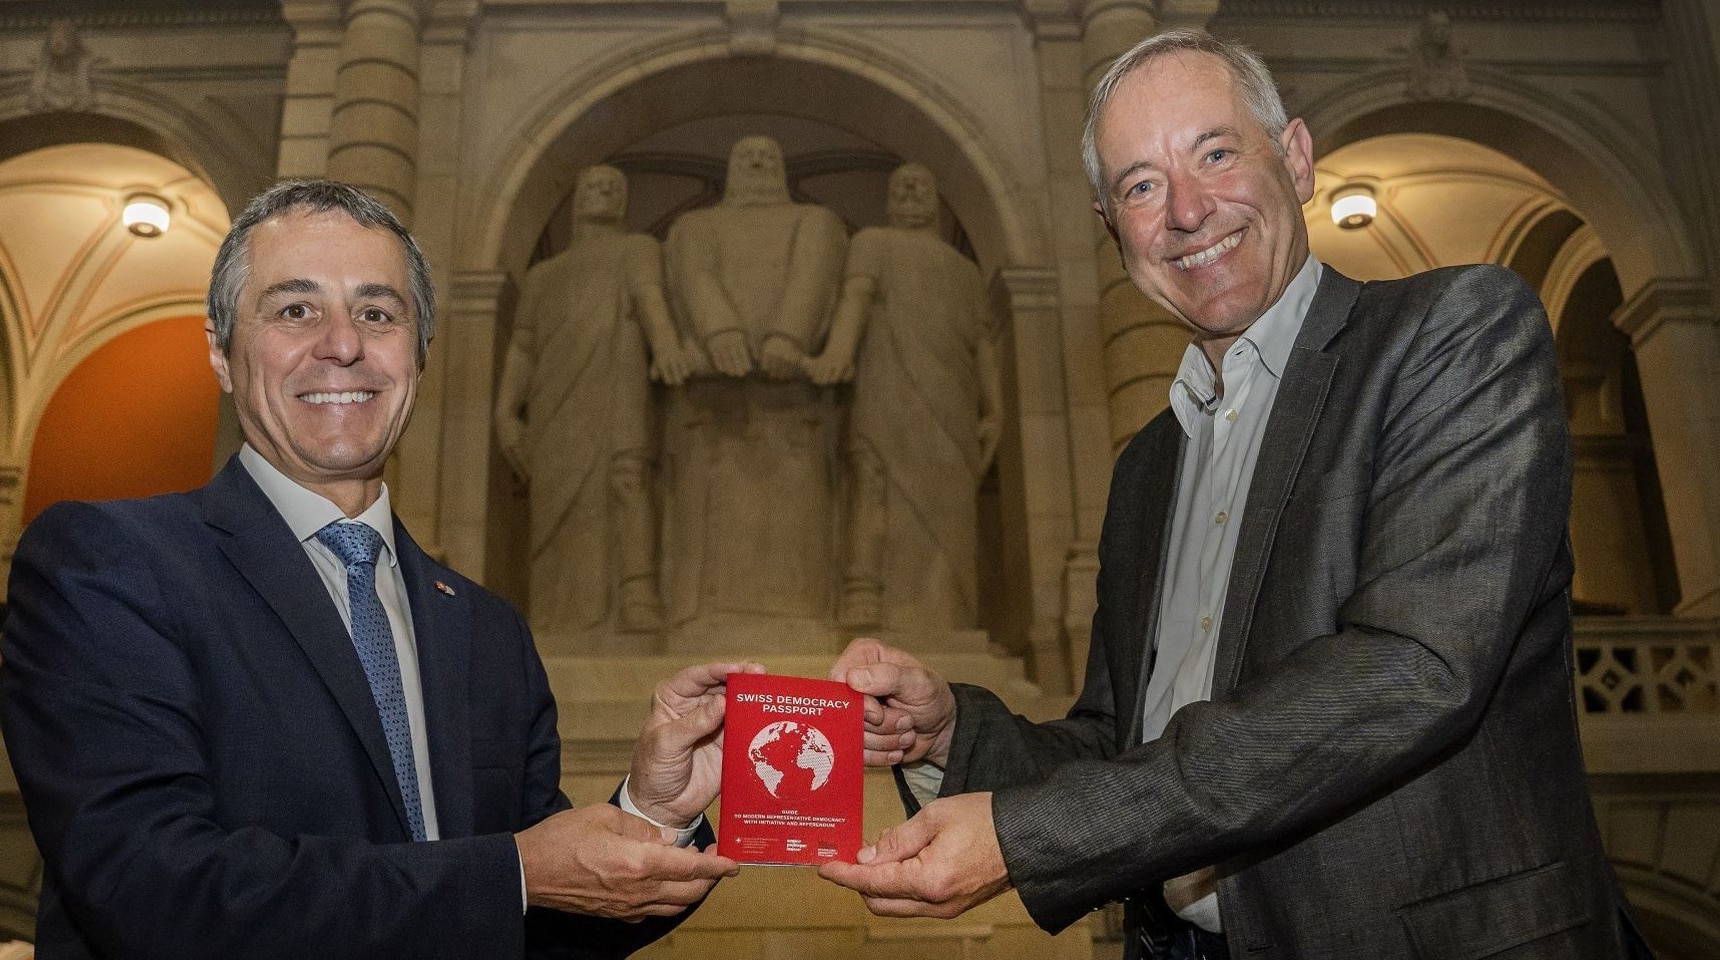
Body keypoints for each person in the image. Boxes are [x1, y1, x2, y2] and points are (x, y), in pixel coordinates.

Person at [818, 30, 1649, 959]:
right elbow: (1119, 745)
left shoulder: (1454, 334)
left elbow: (1411, 668)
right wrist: (949, 733)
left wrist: (1025, 839)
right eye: (1140, 186)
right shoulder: (1147, 467)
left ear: (1294, 158)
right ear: (1111, 228)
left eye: (1215, 153)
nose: (1185, 210)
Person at [0, 180, 744, 959]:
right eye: (295, 309)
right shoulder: (111, 565)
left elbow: (540, 926)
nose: (342, 344)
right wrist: (514, 873)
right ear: (221, 352)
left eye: (378, 313)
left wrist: (653, 814)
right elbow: (155, 891)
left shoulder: (488, 630)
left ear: (418, 361)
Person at [661, 135, 848, 633]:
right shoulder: (695, 226)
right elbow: (694, 275)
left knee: (794, 516)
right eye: (747, 156)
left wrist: (789, 335)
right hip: (711, 402)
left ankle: (801, 614)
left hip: (793, 400)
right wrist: (722, 333)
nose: (760, 162)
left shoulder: (815, 222)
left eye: (769, 155)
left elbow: (815, 273)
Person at [805, 162, 1002, 630]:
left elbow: (981, 343)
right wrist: (836, 355)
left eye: (921, 185)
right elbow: (854, 300)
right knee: (873, 481)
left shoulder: (964, 269)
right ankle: (863, 595)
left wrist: (995, 408)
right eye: (901, 186)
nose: (912, 191)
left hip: (951, 398)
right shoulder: (871, 244)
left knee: (949, 506)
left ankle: (948, 615)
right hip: (883, 386)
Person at [495, 165, 686, 634]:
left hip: (620, 383)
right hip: (554, 401)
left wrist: (667, 350)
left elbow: (650, 302)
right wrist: (505, 411)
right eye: (594, 185)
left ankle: (638, 595)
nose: (603, 191)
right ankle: (557, 612)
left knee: (628, 478)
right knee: (555, 500)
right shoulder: (543, 275)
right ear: (576, 199)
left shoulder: (637, 249)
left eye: (614, 187)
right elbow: (522, 347)